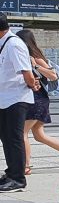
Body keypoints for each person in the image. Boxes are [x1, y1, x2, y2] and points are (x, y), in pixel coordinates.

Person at [0, 15, 41, 192]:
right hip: (5, 98)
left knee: (14, 138)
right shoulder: (4, 43)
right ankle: (11, 173)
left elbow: (27, 73)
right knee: (6, 138)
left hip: (16, 99)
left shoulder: (14, 45)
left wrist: (33, 84)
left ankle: (18, 179)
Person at [16, 29, 59, 174]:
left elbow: (53, 75)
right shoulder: (26, 56)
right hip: (38, 99)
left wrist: (36, 65)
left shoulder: (35, 57)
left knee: (22, 133)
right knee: (39, 135)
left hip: (36, 100)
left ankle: (25, 166)